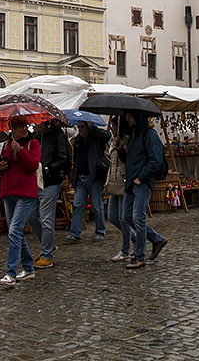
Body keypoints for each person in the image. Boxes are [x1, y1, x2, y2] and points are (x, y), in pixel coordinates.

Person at [120, 112, 168, 270]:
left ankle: (139, 256)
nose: (128, 119)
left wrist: (141, 176)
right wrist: (121, 149)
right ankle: (156, 239)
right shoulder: (133, 135)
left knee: (138, 218)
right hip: (131, 182)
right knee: (127, 217)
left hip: (142, 182)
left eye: (130, 116)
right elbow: (131, 159)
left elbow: (156, 160)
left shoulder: (149, 135)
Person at [0, 114, 40, 284]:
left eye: (26, 125)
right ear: (13, 129)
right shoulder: (7, 144)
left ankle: (11, 272)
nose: (24, 129)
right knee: (16, 232)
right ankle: (28, 268)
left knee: (14, 230)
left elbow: (32, 166)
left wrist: (19, 151)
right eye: (21, 126)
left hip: (25, 193)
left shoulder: (33, 144)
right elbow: (3, 165)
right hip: (9, 193)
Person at [26, 117, 72, 269]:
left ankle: (46, 254)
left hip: (50, 182)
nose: (34, 125)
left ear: (44, 122)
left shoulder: (57, 136)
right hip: (35, 182)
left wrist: (48, 168)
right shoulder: (34, 137)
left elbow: (63, 158)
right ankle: (49, 244)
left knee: (46, 219)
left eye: (37, 122)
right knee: (31, 216)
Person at [63, 118, 111, 244]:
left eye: (82, 127)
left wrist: (93, 129)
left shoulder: (96, 137)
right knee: (78, 205)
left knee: (97, 206)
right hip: (81, 178)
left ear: (88, 126)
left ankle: (100, 232)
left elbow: (107, 136)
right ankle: (74, 233)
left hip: (94, 177)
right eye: (78, 127)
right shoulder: (78, 140)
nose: (80, 130)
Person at [105, 125, 129, 262]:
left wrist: (120, 148)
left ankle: (125, 249)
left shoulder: (126, 140)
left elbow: (126, 159)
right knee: (112, 216)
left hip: (123, 179)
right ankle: (134, 237)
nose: (112, 128)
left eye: (114, 126)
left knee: (123, 217)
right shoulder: (112, 140)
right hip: (113, 180)